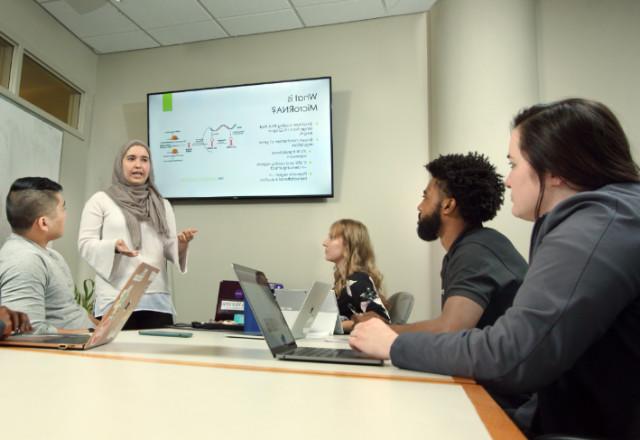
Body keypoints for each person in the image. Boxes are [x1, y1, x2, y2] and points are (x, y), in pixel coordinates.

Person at [350, 98, 640, 439]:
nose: (508, 180)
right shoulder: (608, 218)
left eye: (514, 164)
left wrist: (393, 344)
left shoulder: (597, 225)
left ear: (557, 171)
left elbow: (512, 355)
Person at [355, 152, 527, 333]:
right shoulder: (470, 248)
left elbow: (450, 330)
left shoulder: (475, 253)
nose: (419, 206)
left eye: (426, 197)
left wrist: (384, 331)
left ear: (448, 205)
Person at [78, 140, 197, 330]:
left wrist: (181, 243)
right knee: (114, 357)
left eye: (144, 160)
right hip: (115, 295)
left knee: (158, 357)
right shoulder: (101, 200)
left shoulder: (162, 204)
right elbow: (85, 243)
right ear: (120, 163)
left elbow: (167, 247)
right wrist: (113, 247)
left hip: (155, 296)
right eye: (131, 159)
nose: (138, 165)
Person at [0, 177, 97, 334]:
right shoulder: (24, 261)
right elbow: (26, 332)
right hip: (66, 354)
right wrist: (89, 334)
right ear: (43, 223)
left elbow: (68, 310)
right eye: (63, 208)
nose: (65, 214)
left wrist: (101, 326)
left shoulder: (51, 255)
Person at [322, 219, 390, 332]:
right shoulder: (344, 281)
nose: (324, 242)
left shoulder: (358, 281)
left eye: (332, 237)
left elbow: (382, 321)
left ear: (349, 244)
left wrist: (338, 326)